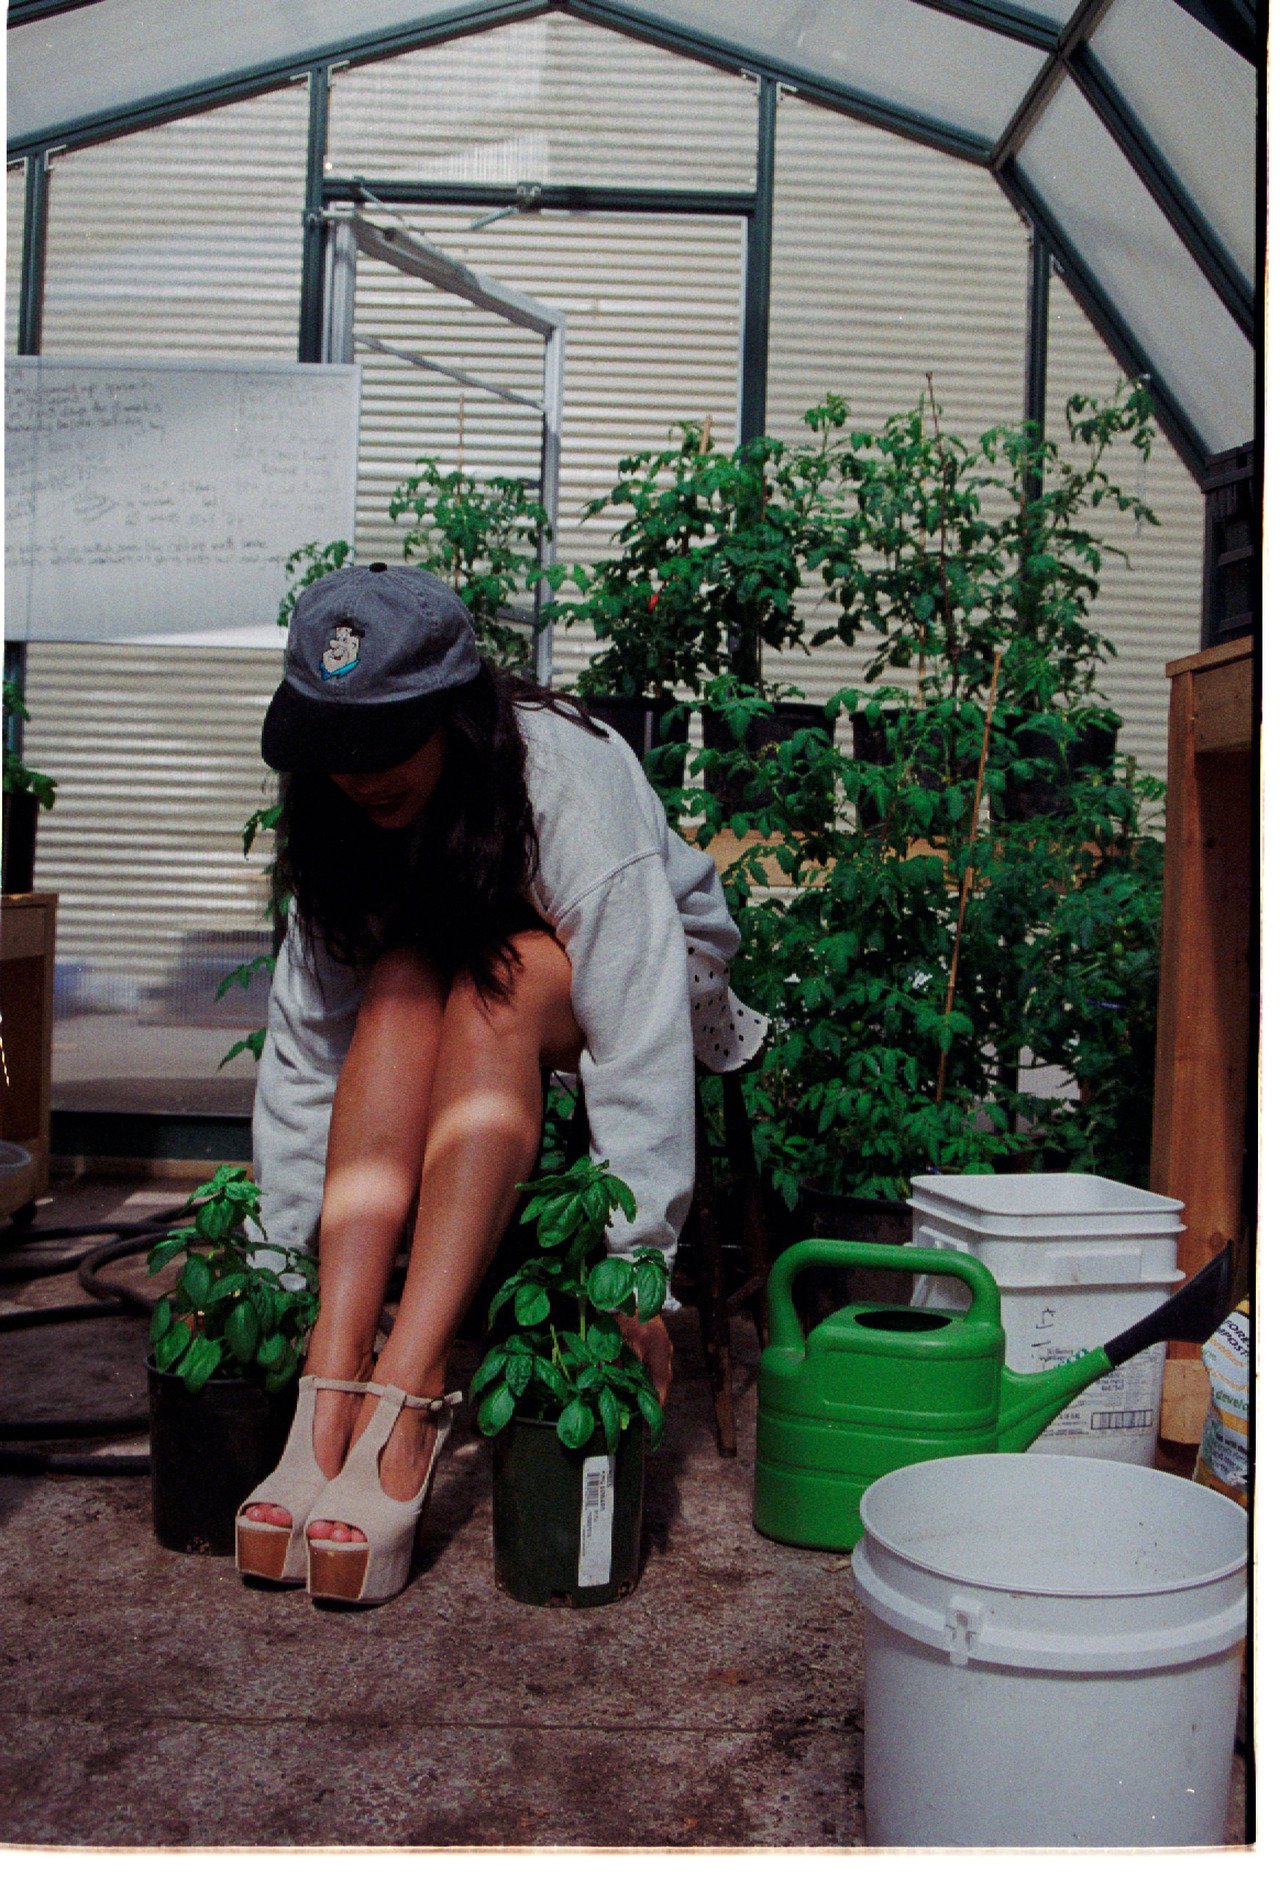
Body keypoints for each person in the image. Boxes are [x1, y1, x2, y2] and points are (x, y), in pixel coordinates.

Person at [237, 562, 766, 1605]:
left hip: (638, 964)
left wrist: (635, 1267)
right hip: (458, 961)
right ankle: (332, 1381)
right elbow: (307, 1051)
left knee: (504, 983)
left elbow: (639, 1030)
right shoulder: (337, 819)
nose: (359, 773)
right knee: (396, 979)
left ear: (455, 717)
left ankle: (410, 1382)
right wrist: (279, 1268)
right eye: (336, 745)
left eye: (387, 741)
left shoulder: (563, 781)